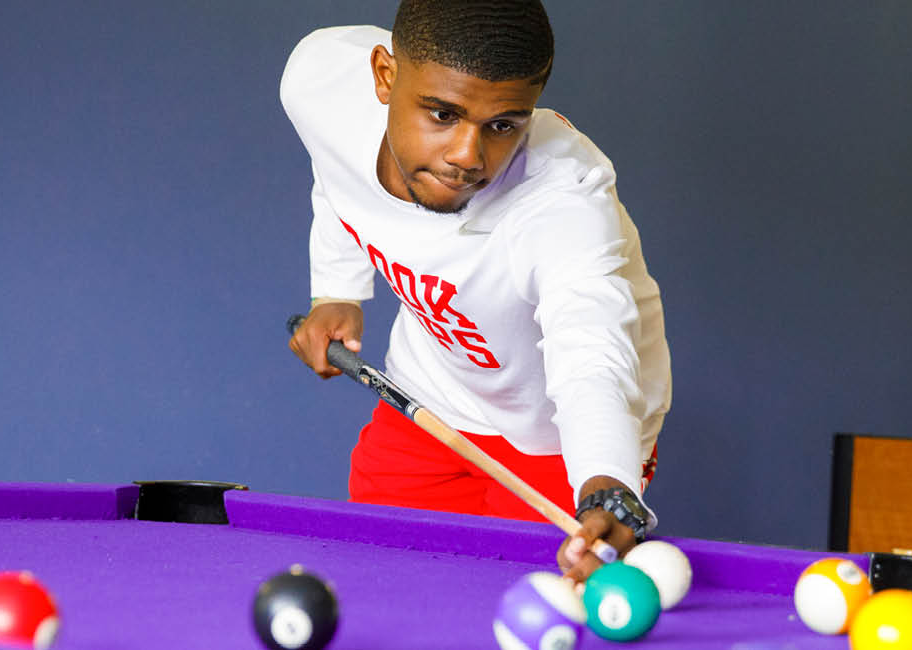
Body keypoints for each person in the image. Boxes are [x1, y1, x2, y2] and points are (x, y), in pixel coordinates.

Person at [282, 0, 670, 581]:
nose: (468, 156)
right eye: (442, 114)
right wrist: (337, 289)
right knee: (382, 581)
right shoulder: (320, 80)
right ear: (384, 75)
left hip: (562, 440)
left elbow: (592, 351)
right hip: (431, 402)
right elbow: (334, 163)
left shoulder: (564, 200)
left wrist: (607, 484)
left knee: (532, 605)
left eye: (504, 125)